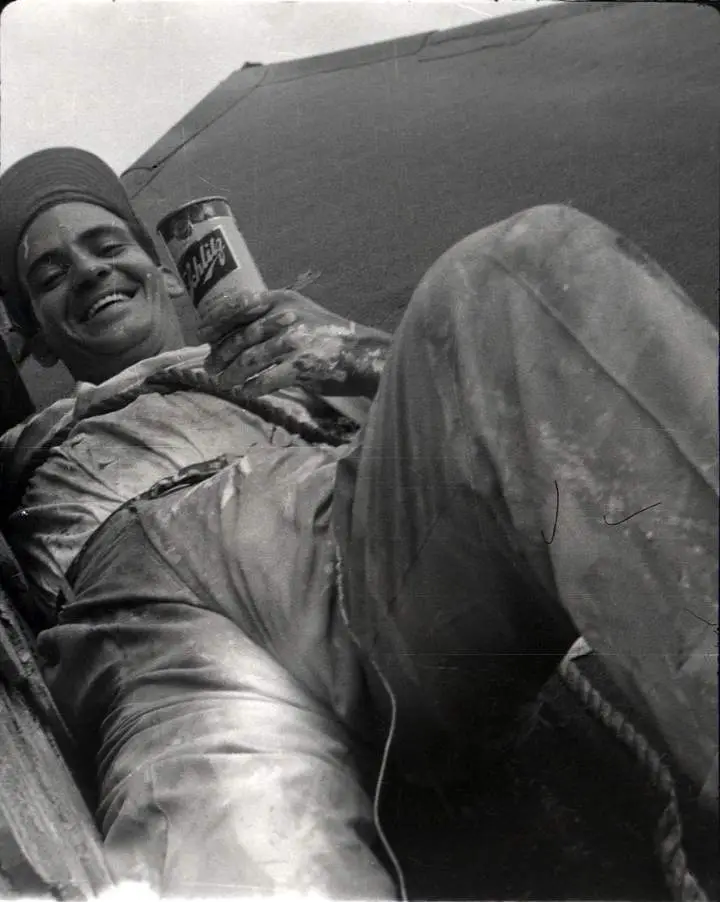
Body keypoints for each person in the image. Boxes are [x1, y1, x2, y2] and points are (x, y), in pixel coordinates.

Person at [0, 147, 716, 898]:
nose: (88, 271)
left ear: (165, 270)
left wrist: (358, 351)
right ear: (33, 336)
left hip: (351, 562)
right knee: (239, 865)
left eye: (107, 245)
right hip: (166, 666)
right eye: (49, 276)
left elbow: (495, 426)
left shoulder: (291, 357)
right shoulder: (21, 456)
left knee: (524, 263)